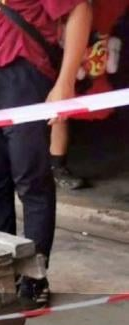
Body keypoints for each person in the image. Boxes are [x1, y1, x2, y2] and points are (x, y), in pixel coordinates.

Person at [0, 0, 92, 308]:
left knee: (32, 182)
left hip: (24, 76)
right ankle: (1, 272)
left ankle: (34, 276)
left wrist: (65, 82)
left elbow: (80, 10)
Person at [48, 0, 128, 190]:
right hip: (52, 44)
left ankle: (56, 166)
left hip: (96, 42)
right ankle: (52, 166)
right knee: (51, 107)